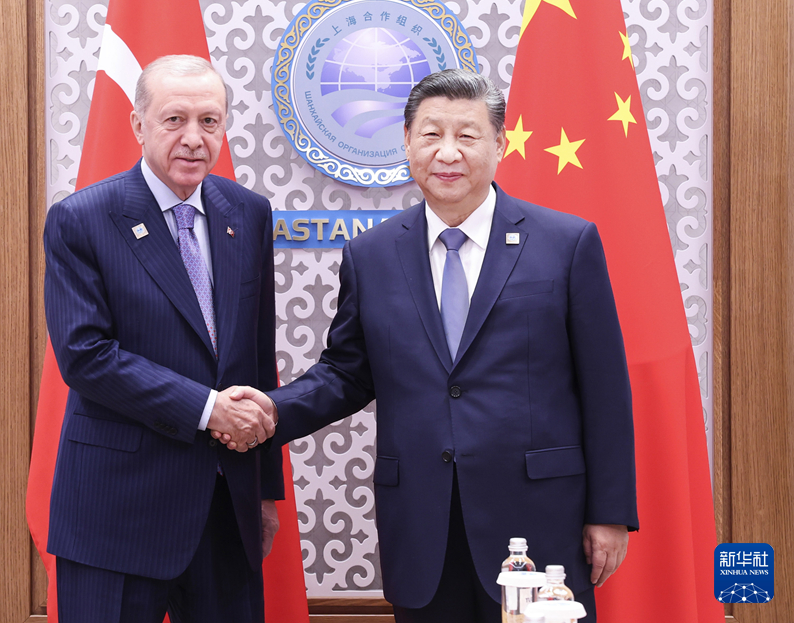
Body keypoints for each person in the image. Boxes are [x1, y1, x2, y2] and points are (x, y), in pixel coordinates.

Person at [220, 69, 638, 622]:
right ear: (407, 141)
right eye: (431, 134)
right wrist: (273, 410)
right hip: (423, 523)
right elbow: (347, 373)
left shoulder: (566, 243)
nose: (448, 152)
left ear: (499, 143)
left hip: (538, 520)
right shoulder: (372, 255)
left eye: (467, 135)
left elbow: (605, 387)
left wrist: (609, 512)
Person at [43, 55, 281, 623]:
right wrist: (208, 409)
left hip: (226, 508)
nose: (194, 138)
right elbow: (85, 356)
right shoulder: (82, 219)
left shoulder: (248, 213)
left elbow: (256, 359)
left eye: (209, 121)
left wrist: (264, 491)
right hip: (116, 512)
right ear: (138, 124)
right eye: (175, 119)